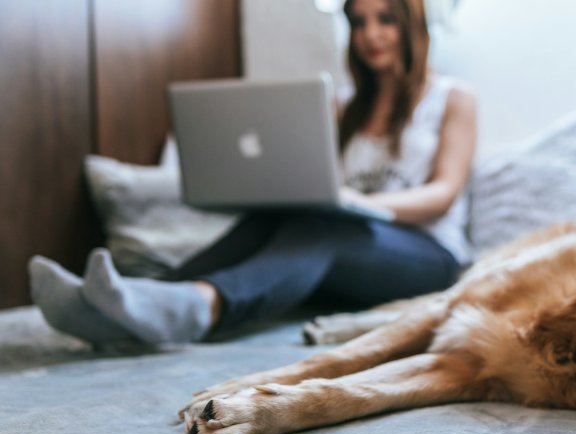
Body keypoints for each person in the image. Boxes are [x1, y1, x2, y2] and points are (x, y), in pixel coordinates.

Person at [28, 0, 477, 349]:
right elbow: (317, 179)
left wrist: (360, 205)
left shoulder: (452, 97)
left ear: (411, 24)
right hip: (348, 245)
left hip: (428, 255)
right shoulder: (342, 106)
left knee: (323, 226)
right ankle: (130, 301)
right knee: (284, 219)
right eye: (358, 22)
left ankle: (202, 306)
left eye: (384, 19)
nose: (370, 34)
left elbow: (444, 192)